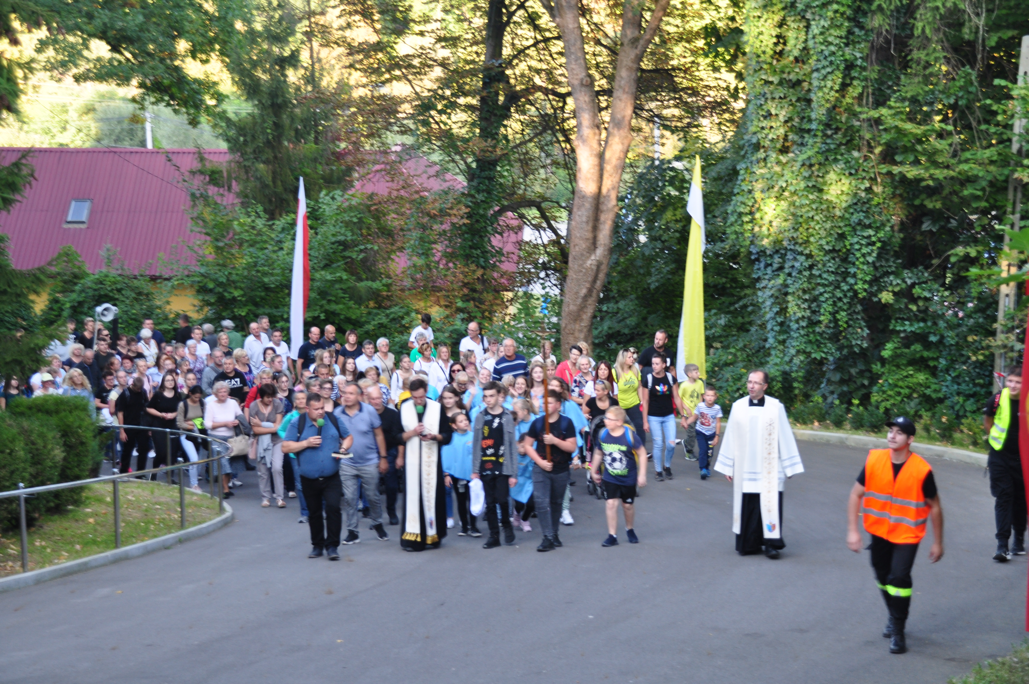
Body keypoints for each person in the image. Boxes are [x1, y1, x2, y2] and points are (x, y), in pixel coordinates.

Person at [846, 417, 944, 654]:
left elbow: (935, 506)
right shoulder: (874, 460)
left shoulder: (921, 470)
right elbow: (855, 494)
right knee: (882, 576)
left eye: (899, 432)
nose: (892, 435)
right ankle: (893, 613)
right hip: (879, 531)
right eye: (891, 430)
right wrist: (853, 530)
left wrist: (938, 542)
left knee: (899, 578)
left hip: (907, 535)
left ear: (910, 439)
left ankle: (898, 629)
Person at [713, 370, 804, 559]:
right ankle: (749, 544)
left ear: (765, 386)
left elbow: (785, 435)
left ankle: (771, 545)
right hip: (745, 466)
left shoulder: (775, 407)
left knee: (770, 505)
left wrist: (789, 467)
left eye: (756, 383)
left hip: (770, 467)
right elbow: (730, 436)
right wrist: (728, 466)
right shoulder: (738, 406)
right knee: (749, 505)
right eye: (749, 382)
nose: (751, 386)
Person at [283, 393, 353, 560]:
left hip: (331, 476)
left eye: (322, 407)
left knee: (333, 509)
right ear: (307, 409)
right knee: (314, 513)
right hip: (309, 478)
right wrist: (306, 443)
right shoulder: (298, 423)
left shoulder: (333, 419)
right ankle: (317, 545)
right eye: (316, 409)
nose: (321, 412)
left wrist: (343, 449)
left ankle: (332, 546)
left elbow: (348, 437)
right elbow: (285, 447)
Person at [399, 378, 452, 551]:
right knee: (413, 498)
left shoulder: (437, 408)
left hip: (431, 463)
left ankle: (432, 536)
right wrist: (412, 433)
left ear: (426, 391)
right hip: (412, 462)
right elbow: (397, 436)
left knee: (433, 498)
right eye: (414, 397)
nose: (418, 401)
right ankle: (413, 539)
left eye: (421, 397)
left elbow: (448, 435)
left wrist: (434, 437)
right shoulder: (404, 407)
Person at [522, 390, 578, 552]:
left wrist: (555, 441)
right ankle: (547, 537)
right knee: (541, 501)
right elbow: (527, 445)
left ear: (558, 405)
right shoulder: (538, 423)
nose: (546, 405)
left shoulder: (566, 423)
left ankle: (554, 533)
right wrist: (540, 461)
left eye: (550, 402)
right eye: (544, 402)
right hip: (541, 469)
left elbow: (572, 447)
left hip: (561, 469)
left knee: (556, 502)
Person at [334, 382, 389, 544]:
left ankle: (377, 523)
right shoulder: (337, 413)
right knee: (350, 498)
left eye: (351, 393)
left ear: (359, 396)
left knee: (372, 496)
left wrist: (383, 458)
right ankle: (352, 531)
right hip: (347, 462)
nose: (347, 396)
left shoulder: (369, 411)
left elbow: (379, 435)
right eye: (345, 393)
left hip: (369, 461)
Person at [984, 368, 1026, 561]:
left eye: (1018, 382)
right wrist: (994, 441)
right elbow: (988, 422)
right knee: (1003, 498)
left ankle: (1019, 539)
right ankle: (1002, 545)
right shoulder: (996, 400)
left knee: (1020, 500)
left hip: (1023, 459)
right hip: (999, 457)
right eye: (1010, 381)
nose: (1013, 385)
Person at [591, 406, 648, 546]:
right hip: (610, 476)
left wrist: (642, 474)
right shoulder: (603, 434)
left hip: (628, 477)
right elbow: (598, 452)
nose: (605, 421)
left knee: (627, 505)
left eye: (609, 419)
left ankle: (630, 529)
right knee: (611, 504)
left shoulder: (629, 436)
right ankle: (612, 535)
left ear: (619, 422)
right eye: (605, 418)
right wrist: (593, 470)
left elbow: (642, 454)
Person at [471, 382, 518, 548]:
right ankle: (494, 535)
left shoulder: (507, 417)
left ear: (499, 396)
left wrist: (513, 474)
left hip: (503, 466)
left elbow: (512, 446)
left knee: (502, 499)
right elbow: (476, 443)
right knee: (490, 503)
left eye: (492, 396)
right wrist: (475, 470)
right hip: (485, 465)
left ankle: (506, 525)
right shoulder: (480, 417)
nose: (488, 399)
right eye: (486, 396)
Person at [366, 385, 405, 525]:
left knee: (391, 486)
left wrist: (400, 456)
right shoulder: (365, 414)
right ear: (368, 399)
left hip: (390, 452)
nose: (376, 401)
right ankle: (375, 515)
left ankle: (391, 511)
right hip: (370, 454)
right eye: (373, 399)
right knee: (371, 486)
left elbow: (400, 437)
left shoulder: (392, 414)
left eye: (379, 398)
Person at [641, 355, 683, 482]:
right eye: (653, 364)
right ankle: (658, 470)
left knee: (671, 445)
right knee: (658, 444)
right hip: (653, 417)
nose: (654, 366)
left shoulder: (670, 378)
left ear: (664, 365)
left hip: (669, 416)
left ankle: (667, 466)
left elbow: (677, 397)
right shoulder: (648, 379)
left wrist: (683, 416)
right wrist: (645, 421)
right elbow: (645, 401)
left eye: (657, 364)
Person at [250, 383, 286, 508]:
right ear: (261, 396)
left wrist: (261, 424)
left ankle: (279, 497)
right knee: (263, 471)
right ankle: (265, 497)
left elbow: (279, 427)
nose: (270, 399)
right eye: (267, 397)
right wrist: (271, 427)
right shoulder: (254, 406)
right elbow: (255, 430)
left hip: (277, 441)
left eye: (272, 396)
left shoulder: (277, 404)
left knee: (277, 468)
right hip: (261, 442)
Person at [442, 412, 477, 536]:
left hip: (473, 475)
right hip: (458, 475)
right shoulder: (450, 438)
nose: (465, 422)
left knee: (472, 500)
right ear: (454, 425)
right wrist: (446, 475)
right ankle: (464, 526)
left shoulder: (474, 436)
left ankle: (473, 526)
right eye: (461, 421)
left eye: (466, 420)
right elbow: (446, 457)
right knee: (461, 501)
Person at [146, 372, 183, 479]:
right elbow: (148, 408)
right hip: (159, 425)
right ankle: (153, 474)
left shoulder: (178, 395)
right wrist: (161, 415)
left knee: (172, 452)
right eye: (167, 380)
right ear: (163, 382)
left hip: (173, 425)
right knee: (161, 452)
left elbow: (181, 408)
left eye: (172, 380)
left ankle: (171, 478)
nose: (170, 382)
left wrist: (173, 414)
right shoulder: (158, 394)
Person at [509, 399, 536, 532]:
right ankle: (517, 513)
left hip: (530, 479)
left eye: (517, 411)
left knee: (532, 502)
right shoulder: (515, 424)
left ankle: (525, 520)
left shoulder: (535, 423)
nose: (515, 414)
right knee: (519, 503)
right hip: (518, 479)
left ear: (525, 411)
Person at [115, 377, 151, 474]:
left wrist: (149, 426)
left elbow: (147, 409)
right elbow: (120, 413)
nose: (139, 390)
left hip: (142, 425)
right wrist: (122, 430)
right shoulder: (125, 394)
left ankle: (140, 473)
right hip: (129, 426)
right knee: (127, 450)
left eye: (140, 388)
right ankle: (123, 471)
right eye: (137, 388)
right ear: (132, 385)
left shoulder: (143, 392)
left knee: (144, 449)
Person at [176, 384, 207, 492]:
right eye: (195, 397)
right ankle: (194, 484)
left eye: (199, 397)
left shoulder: (203, 403)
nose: (197, 399)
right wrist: (192, 426)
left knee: (200, 460)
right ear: (190, 394)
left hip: (200, 434)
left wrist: (193, 423)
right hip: (187, 435)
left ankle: (194, 479)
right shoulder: (183, 405)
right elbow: (180, 423)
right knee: (194, 459)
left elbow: (206, 420)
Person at [613, 348, 644, 436]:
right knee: (622, 430)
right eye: (629, 357)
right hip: (621, 405)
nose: (632, 359)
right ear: (623, 359)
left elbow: (639, 387)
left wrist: (642, 402)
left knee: (639, 427)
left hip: (634, 404)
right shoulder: (615, 372)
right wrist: (617, 407)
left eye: (632, 357)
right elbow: (613, 392)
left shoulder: (635, 370)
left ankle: (640, 444)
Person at [678, 363, 707, 458]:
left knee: (698, 432)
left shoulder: (700, 383)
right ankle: (689, 451)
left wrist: (701, 409)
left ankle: (687, 442)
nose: (699, 374)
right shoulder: (684, 386)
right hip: (688, 414)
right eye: (696, 372)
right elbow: (679, 399)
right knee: (691, 433)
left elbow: (701, 396)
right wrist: (686, 409)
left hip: (697, 413)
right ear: (689, 374)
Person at [694, 386, 723, 480]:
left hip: (711, 434)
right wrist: (686, 422)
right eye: (708, 395)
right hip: (701, 432)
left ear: (715, 397)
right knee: (703, 450)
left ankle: (707, 467)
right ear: (704, 396)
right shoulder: (700, 406)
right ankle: (702, 469)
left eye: (712, 395)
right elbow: (694, 417)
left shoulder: (717, 408)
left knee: (709, 453)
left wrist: (717, 436)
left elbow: (718, 423)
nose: (710, 397)